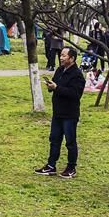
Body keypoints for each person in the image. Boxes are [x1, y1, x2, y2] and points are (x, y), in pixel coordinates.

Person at [36, 44, 84, 178]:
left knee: (70, 142)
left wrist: (57, 88)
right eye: (61, 55)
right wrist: (50, 87)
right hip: (57, 112)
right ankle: (51, 165)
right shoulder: (59, 70)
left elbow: (75, 94)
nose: (61, 58)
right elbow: (55, 86)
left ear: (72, 58)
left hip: (70, 114)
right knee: (54, 139)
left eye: (64, 55)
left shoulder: (77, 75)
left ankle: (71, 167)